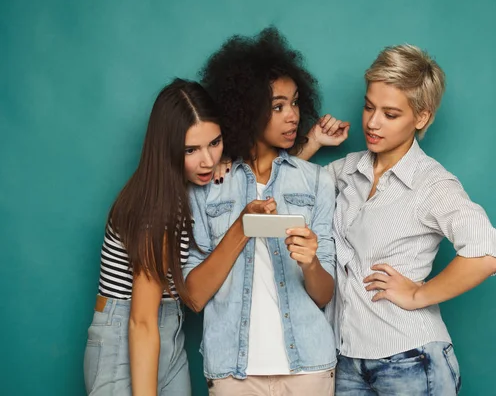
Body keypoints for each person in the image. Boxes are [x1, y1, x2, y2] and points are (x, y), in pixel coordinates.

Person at [299, 44, 496, 395]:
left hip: (411, 359)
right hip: (346, 359)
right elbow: (288, 188)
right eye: (368, 107)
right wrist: (313, 143)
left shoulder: (433, 183)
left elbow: (487, 253)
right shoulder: (348, 170)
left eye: (390, 114)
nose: (373, 122)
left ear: (421, 117)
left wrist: (418, 294)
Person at [183, 27, 338, 396]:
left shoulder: (317, 182)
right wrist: (242, 227)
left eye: (296, 102)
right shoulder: (208, 186)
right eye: (278, 106)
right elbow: (193, 296)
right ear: (247, 109)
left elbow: (324, 294)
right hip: (234, 373)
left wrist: (310, 263)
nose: (293, 117)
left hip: (310, 368)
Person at [83, 78, 223, 395]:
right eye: (192, 149)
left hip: (168, 329)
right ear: (168, 149)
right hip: (128, 332)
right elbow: (142, 321)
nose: (208, 160)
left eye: (214, 143)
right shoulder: (157, 207)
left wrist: (307, 146)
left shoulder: (181, 186)